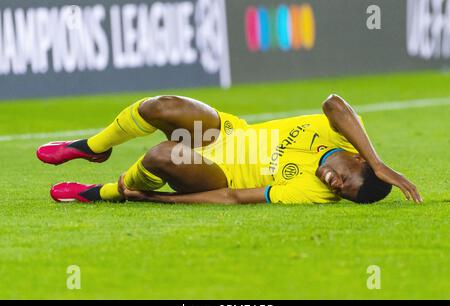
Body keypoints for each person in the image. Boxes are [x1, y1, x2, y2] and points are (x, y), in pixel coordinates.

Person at [36, 94, 422, 204]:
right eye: (347, 179)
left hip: (216, 170)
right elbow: (334, 102)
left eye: (341, 192)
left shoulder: (313, 191)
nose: (335, 184)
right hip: (226, 133)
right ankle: (92, 147)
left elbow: (235, 196)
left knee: (161, 155)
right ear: (358, 158)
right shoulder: (344, 135)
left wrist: (156, 199)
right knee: (160, 107)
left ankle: (105, 191)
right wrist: (380, 163)